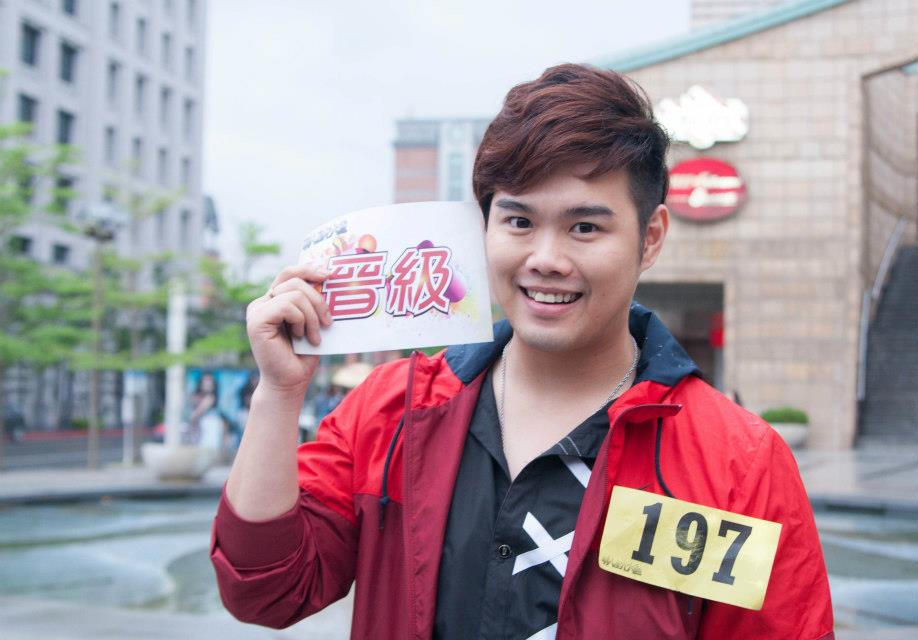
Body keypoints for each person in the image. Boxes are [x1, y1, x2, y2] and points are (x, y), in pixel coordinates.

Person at [211, 64, 834, 639]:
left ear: (650, 238)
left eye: (585, 227)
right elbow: (267, 591)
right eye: (518, 222)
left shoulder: (737, 463)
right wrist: (278, 395)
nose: (546, 259)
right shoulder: (391, 411)